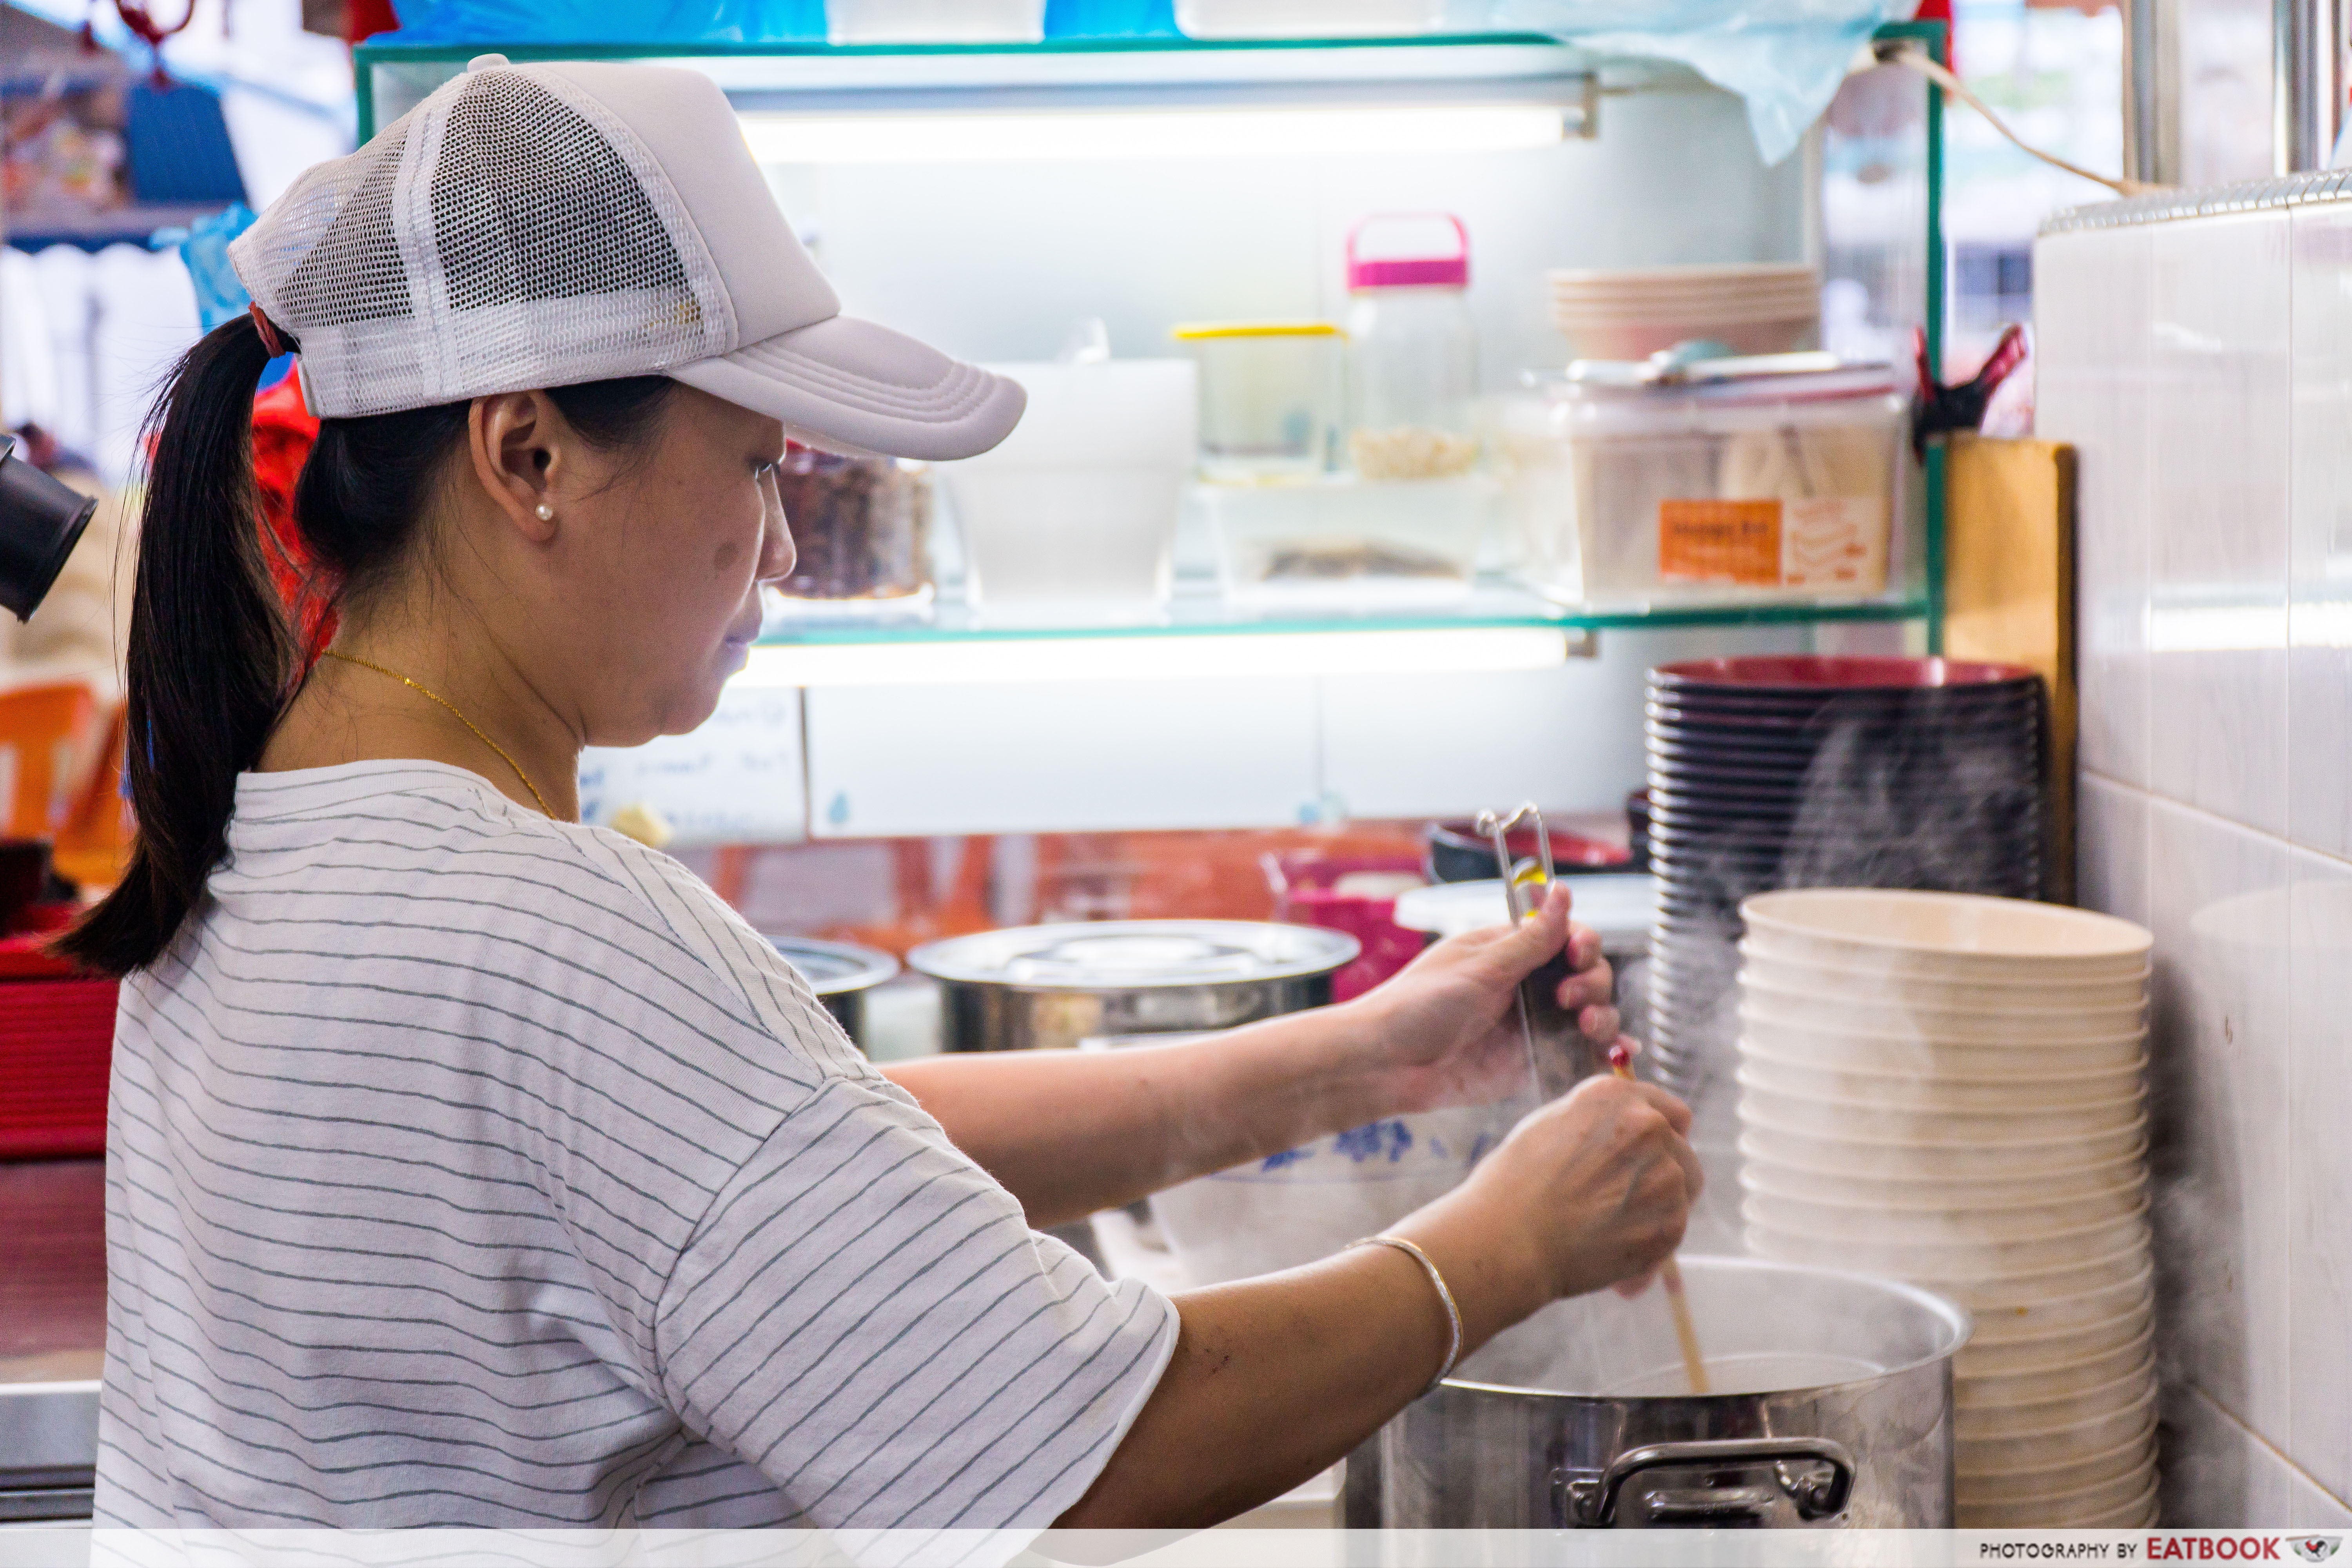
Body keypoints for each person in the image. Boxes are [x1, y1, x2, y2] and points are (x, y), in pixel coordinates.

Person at [63, 56, 1699, 1543]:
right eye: (761, 462)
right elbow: (1107, 1443)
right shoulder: (553, 936)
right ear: (527, 455)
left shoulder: (262, 827)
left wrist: (1358, 1056)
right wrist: (1505, 1245)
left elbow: (774, 1178)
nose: (781, 546)